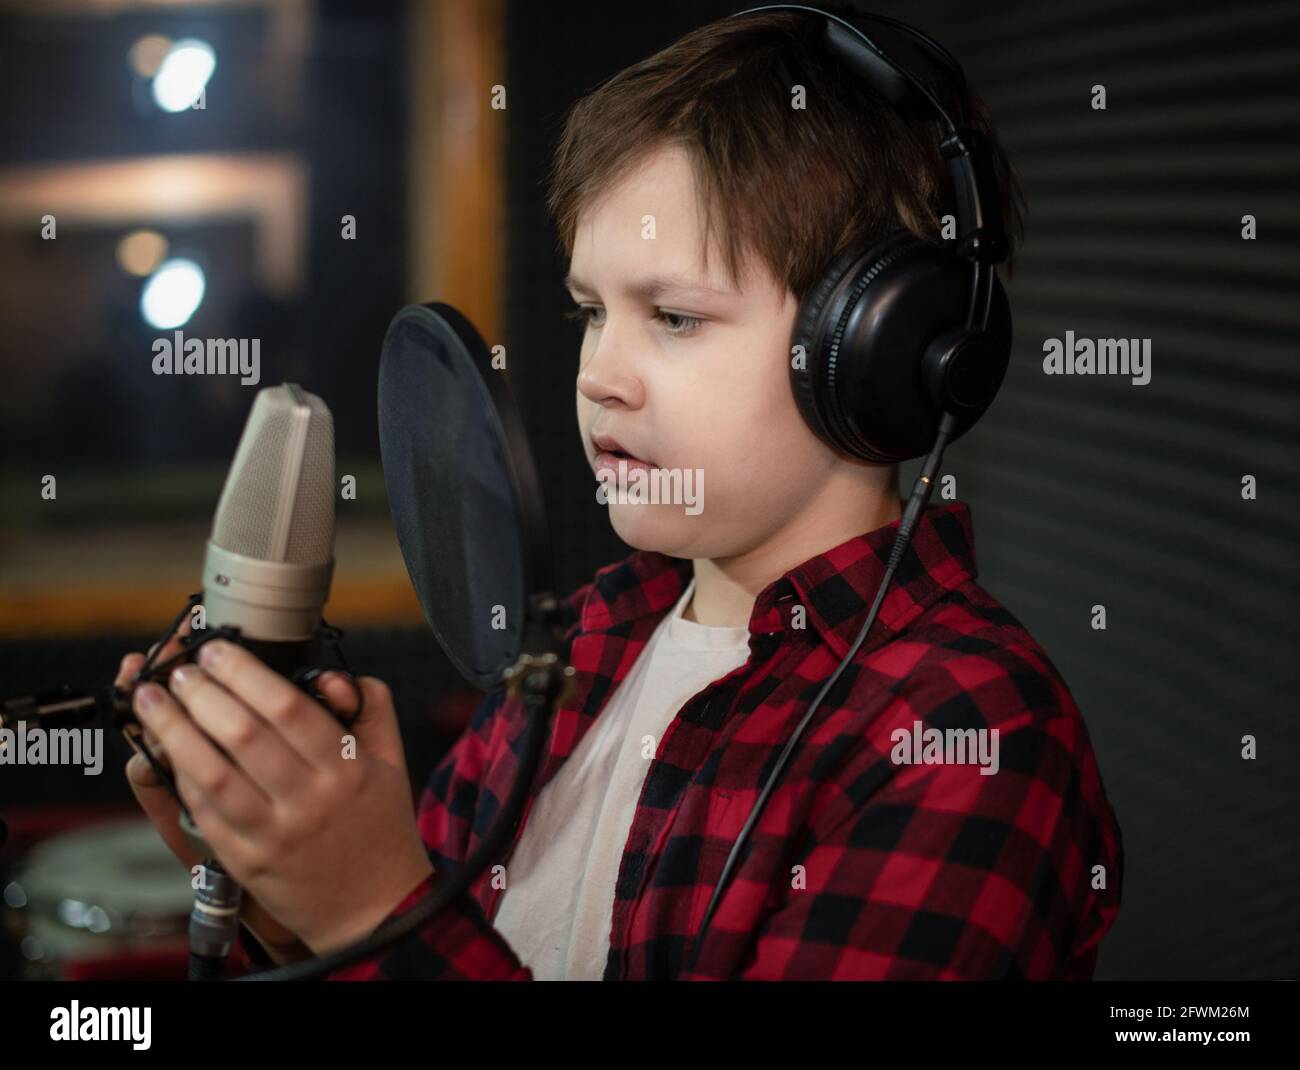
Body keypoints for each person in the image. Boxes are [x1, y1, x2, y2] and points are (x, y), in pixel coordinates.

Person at [119, 7, 1123, 980]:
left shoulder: (972, 734)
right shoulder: (596, 630)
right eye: (593, 310)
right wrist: (286, 888)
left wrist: (364, 902)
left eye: (675, 316)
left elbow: (396, 931)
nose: (599, 372)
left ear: (879, 348)